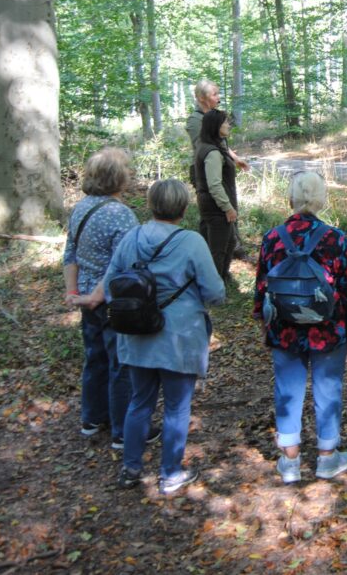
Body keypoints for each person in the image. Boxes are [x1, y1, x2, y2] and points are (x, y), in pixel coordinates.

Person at [107, 179, 226, 494]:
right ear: (184, 209)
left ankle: (131, 468)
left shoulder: (130, 238)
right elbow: (215, 292)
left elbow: (110, 287)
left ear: (149, 205)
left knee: (139, 401)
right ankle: (170, 474)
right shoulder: (192, 242)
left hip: (136, 335)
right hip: (180, 338)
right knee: (176, 406)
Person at [254, 171, 347, 483]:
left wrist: (263, 324)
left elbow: (262, 286)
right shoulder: (335, 238)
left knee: (287, 390)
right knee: (327, 388)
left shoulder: (273, 237)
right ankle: (327, 457)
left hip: (284, 327)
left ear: (291, 199)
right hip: (328, 329)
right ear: (320, 200)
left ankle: (290, 461)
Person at [63, 148, 139, 445]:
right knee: (121, 363)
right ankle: (122, 432)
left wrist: (74, 293)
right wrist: (97, 294)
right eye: (127, 170)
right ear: (117, 178)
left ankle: (92, 418)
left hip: (86, 299)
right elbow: (123, 264)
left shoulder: (80, 208)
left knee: (95, 357)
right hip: (114, 301)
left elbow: (70, 254)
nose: (130, 174)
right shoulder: (120, 213)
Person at [186, 80, 250, 258]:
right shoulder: (195, 120)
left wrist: (235, 159)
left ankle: (231, 245)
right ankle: (210, 254)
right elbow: (207, 146)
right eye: (214, 94)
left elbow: (219, 142)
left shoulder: (215, 116)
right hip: (204, 172)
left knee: (227, 207)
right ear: (201, 98)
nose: (218, 97)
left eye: (218, 93)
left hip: (221, 169)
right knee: (212, 215)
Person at [194, 109, 239, 281]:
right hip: (216, 206)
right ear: (216, 126)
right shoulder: (212, 152)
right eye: (225, 122)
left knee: (228, 241)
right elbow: (214, 185)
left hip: (210, 204)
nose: (228, 125)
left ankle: (222, 278)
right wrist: (227, 208)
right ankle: (214, 286)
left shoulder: (209, 145)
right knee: (219, 248)